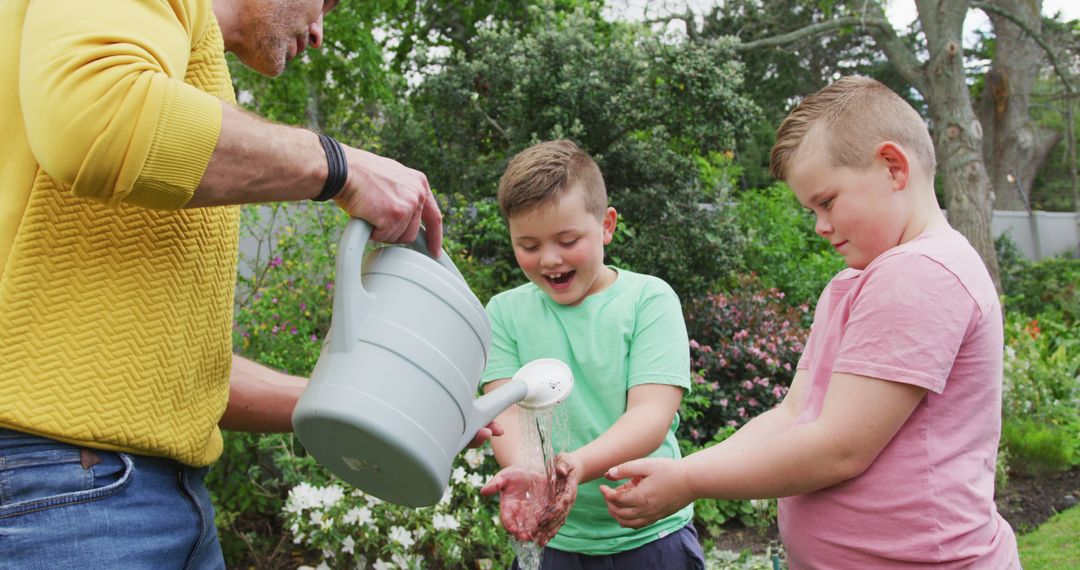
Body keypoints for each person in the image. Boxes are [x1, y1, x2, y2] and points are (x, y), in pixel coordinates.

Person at [0, 1, 496, 567]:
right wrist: (339, 167)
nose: (319, 32)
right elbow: (98, 111)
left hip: (142, 499)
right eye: (326, 2)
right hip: (62, 488)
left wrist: (375, 404)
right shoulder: (151, 82)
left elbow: (172, 369)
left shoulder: (195, 100)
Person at [600, 76, 1020, 568]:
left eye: (827, 201)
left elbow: (839, 448)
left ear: (893, 166)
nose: (820, 225)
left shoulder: (921, 273)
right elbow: (791, 414)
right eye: (811, 210)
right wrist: (686, 467)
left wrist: (690, 481)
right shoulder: (856, 281)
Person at [477, 140, 706, 569]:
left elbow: (650, 416)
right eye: (528, 245)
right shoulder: (504, 312)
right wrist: (532, 475)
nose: (549, 259)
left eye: (567, 240)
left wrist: (576, 465)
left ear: (607, 225)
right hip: (556, 540)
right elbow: (505, 414)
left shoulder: (648, 300)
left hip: (650, 531)